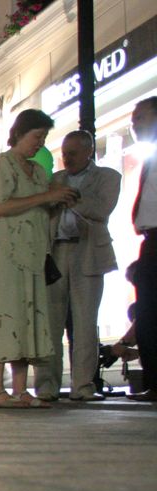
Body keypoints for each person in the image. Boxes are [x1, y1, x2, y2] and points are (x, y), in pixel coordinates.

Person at [0, 109, 77, 409]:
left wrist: (57, 202)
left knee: (27, 316)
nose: (39, 143)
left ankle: (21, 389)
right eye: (36, 136)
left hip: (32, 253)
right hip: (4, 253)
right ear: (20, 133)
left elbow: (39, 210)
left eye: (44, 138)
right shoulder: (1, 164)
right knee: (3, 315)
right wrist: (46, 197)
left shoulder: (37, 171)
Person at [36, 130, 122, 402]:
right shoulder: (54, 180)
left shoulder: (108, 177)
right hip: (56, 252)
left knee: (86, 322)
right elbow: (41, 211)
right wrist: (53, 197)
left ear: (89, 151)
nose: (67, 158)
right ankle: (46, 385)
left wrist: (72, 197)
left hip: (88, 253)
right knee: (50, 321)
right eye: (64, 153)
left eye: (73, 153)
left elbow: (102, 209)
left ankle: (82, 385)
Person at [128, 97, 157, 402]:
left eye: (141, 118)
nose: (134, 124)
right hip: (150, 240)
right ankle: (153, 381)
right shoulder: (150, 157)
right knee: (147, 311)